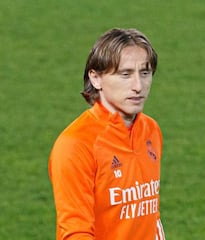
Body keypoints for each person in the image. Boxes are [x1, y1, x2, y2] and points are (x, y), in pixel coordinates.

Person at [48, 28, 165, 240]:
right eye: (125, 74)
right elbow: (75, 233)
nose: (138, 86)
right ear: (96, 78)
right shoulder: (75, 145)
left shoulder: (151, 130)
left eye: (145, 73)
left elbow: (150, 215)